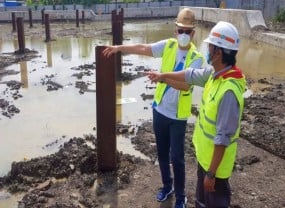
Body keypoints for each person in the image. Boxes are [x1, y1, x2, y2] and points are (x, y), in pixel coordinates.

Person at [103, 8, 204, 208]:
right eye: (180, 30)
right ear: (175, 30)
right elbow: (143, 48)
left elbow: (186, 84)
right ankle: (167, 186)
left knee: (178, 158)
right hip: (159, 111)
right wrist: (119, 47)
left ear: (193, 33)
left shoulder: (197, 58)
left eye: (187, 31)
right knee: (162, 153)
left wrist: (163, 77)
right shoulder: (167, 46)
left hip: (178, 116)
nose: (183, 35)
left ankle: (181, 196)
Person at [145, 21, 246, 208]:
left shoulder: (228, 91)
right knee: (201, 203)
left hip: (215, 170)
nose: (207, 49)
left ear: (218, 52)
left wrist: (211, 174)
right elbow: (189, 74)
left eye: (210, 46)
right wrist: (163, 76)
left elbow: (223, 138)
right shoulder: (214, 75)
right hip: (205, 160)